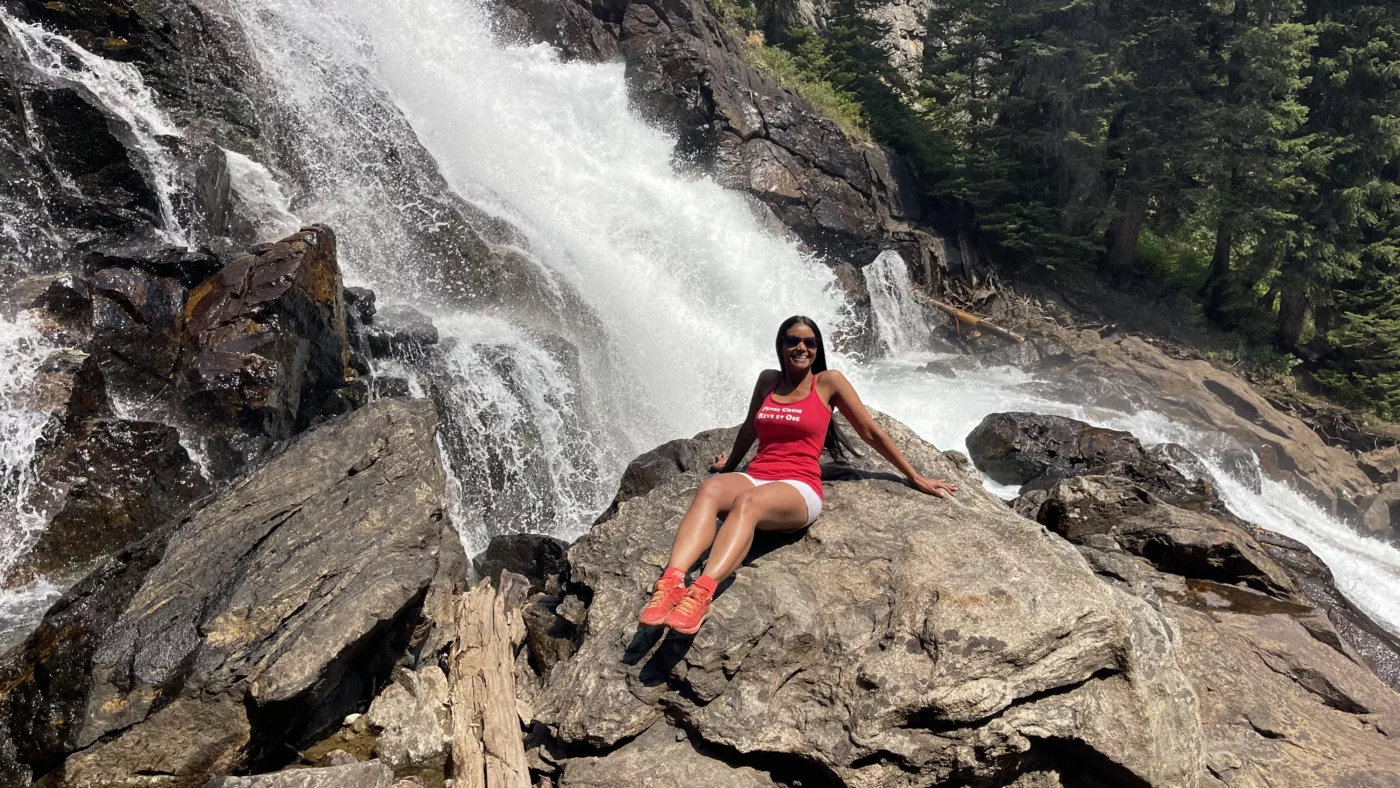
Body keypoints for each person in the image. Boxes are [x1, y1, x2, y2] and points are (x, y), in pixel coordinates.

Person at [641, 315, 959, 635]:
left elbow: (869, 431)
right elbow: (751, 425)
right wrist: (730, 465)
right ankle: (671, 582)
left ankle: (702, 593)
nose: (801, 347)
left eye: (809, 342)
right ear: (781, 345)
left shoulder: (828, 382)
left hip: (798, 486)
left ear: (817, 349)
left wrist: (914, 475)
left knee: (747, 503)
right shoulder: (768, 380)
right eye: (793, 340)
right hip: (758, 473)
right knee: (710, 489)